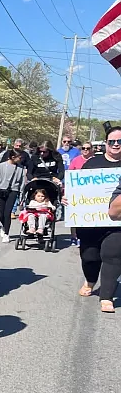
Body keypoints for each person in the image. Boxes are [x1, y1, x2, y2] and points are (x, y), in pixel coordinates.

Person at [66, 126, 121, 314]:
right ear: (106, 143)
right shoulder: (91, 163)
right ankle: (90, 280)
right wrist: (69, 199)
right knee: (89, 256)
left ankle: (106, 296)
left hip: (117, 223)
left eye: (119, 141)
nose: (116, 144)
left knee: (113, 255)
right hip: (90, 221)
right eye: (112, 141)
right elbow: (77, 190)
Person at [0, 148, 27, 243]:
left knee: (7, 213)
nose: (21, 159)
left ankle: (6, 233)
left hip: (13, 191)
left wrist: (21, 196)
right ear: (13, 157)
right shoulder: (1, 166)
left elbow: (22, 183)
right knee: (1, 214)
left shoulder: (20, 168)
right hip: (1, 190)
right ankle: (3, 226)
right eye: (19, 158)